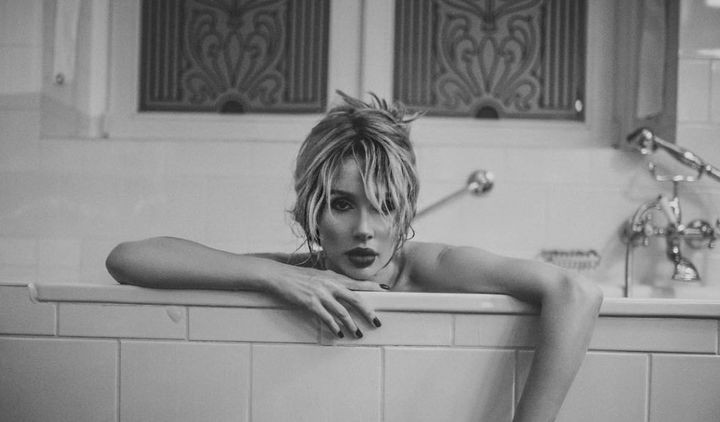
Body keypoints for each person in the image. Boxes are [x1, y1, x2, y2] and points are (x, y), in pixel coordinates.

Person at [106, 91, 603, 422]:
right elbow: (127, 259)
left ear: (404, 210)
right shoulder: (303, 273)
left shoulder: (429, 267)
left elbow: (575, 292)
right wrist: (273, 276)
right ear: (312, 211)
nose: (364, 230)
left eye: (383, 205)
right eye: (342, 205)